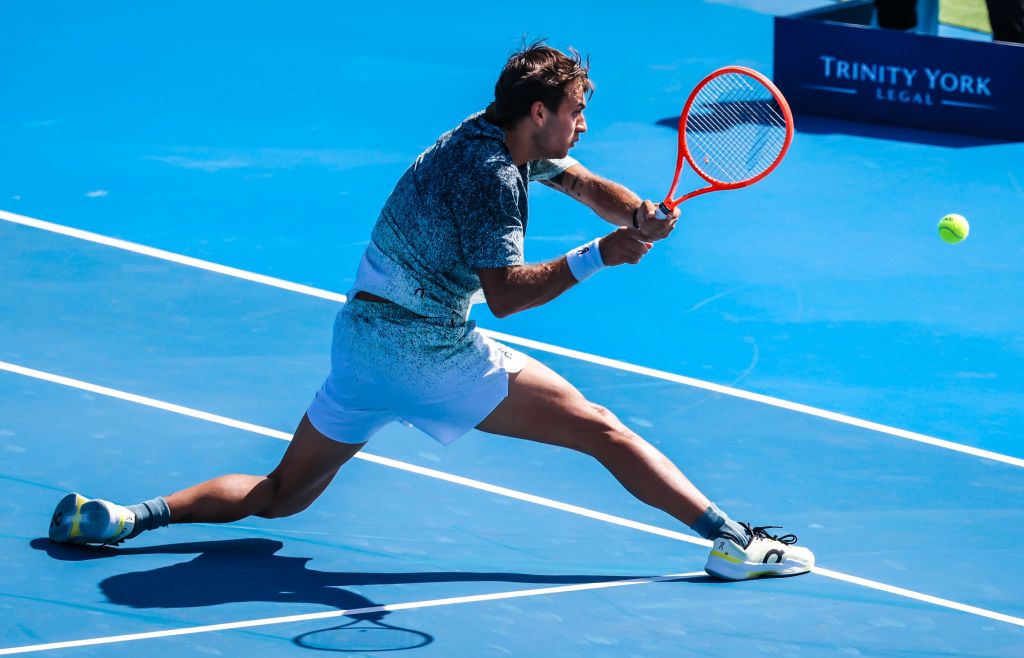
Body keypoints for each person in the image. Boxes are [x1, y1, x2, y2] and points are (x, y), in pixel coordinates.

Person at [47, 42, 814, 582]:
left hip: (359, 345)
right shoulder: (492, 180)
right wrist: (603, 255)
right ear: (541, 110)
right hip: (428, 354)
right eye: (577, 110)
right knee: (601, 428)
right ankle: (735, 541)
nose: (584, 123)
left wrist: (638, 215)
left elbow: (584, 183)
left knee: (281, 494)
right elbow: (509, 295)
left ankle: (124, 517)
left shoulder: (488, 135)